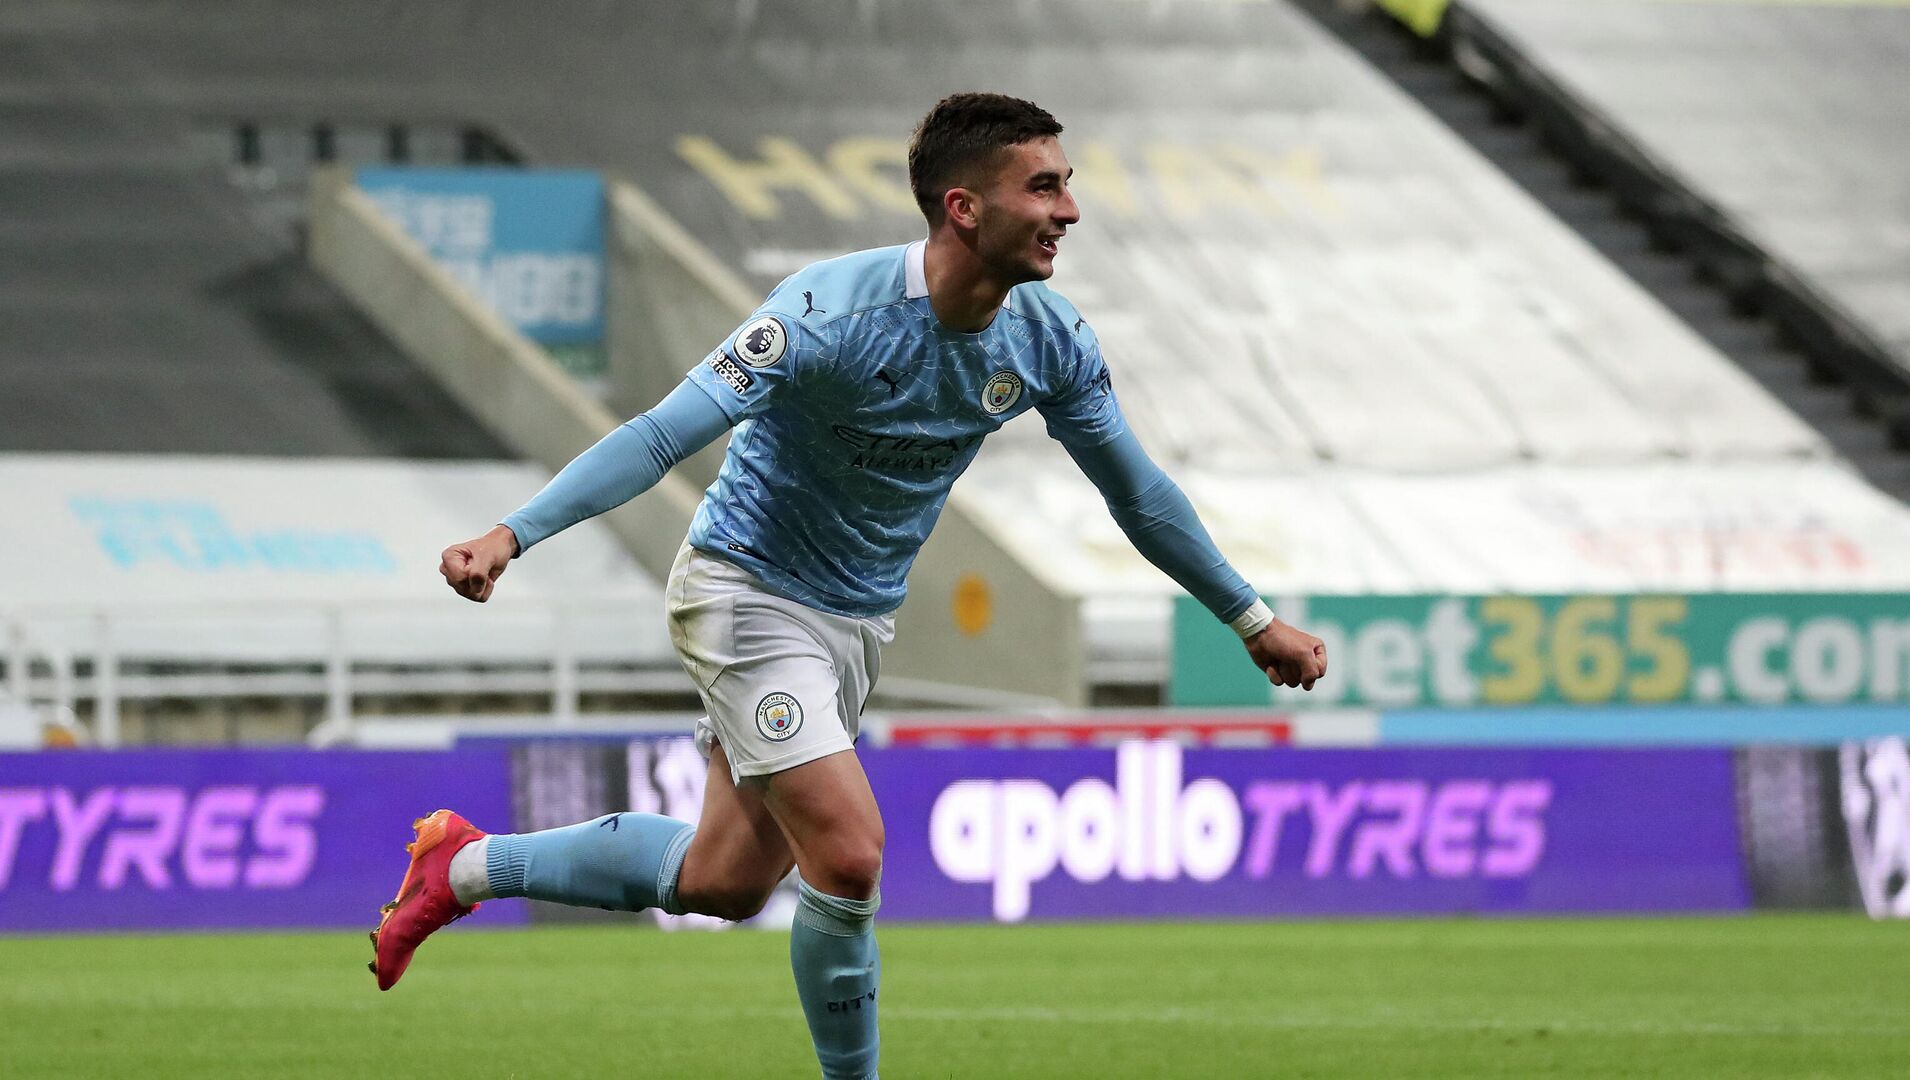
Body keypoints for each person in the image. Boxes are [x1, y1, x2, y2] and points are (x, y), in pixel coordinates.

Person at [369, 92, 1328, 1080]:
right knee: (852, 854)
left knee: (725, 882)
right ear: (964, 207)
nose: (1068, 211)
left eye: (1067, 186)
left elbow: (1138, 494)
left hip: (856, 623)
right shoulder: (828, 316)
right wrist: (512, 534)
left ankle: (467, 864)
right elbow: (661, 435)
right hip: (746, 590)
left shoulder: (1047, 340)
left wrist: (1247, 619)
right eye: (1043, 187)